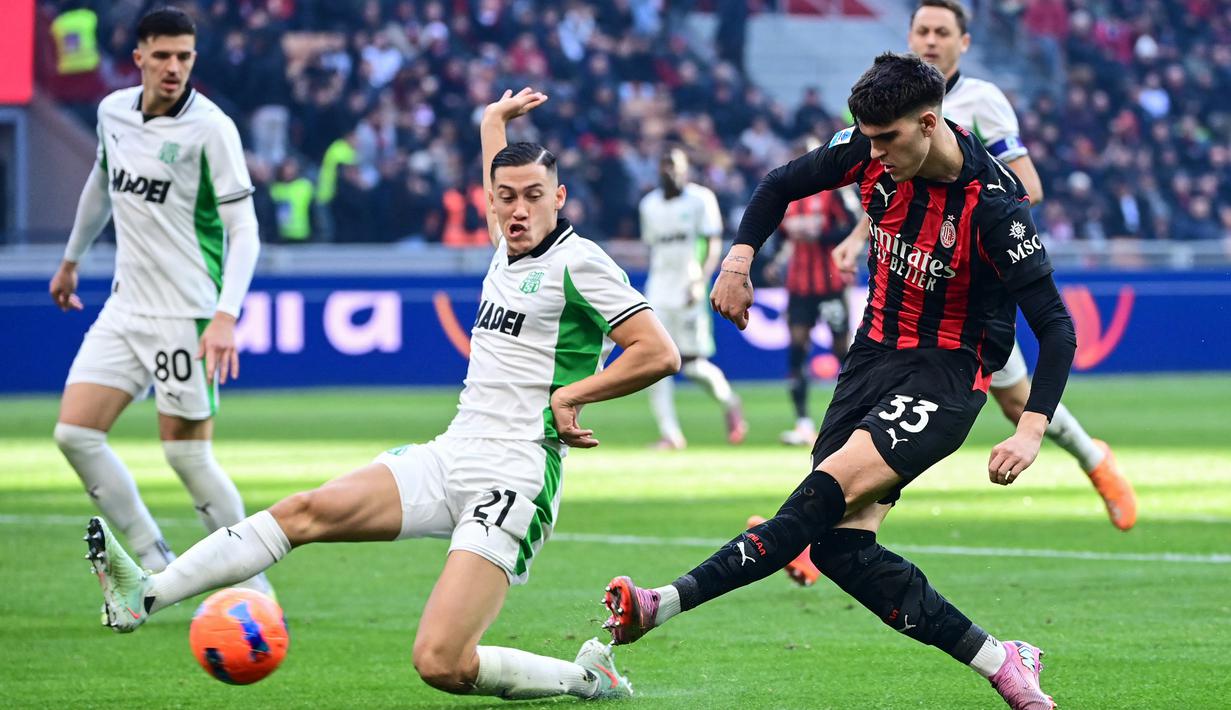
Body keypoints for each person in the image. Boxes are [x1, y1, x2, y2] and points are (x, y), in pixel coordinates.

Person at [86, 87, 681, 702]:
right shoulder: (507, 244)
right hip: (452, 452)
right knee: (303, 512)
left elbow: (659, 351)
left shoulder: (580, 263)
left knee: (440, 662)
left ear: (559, 198)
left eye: (534, 195)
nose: (518, 209)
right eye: (506, 197)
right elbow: (498, 179)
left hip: (516, 473)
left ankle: (588, 679)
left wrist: (572, 395)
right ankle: (146, 593)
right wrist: (491, 121)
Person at [602, 53, 1070, 710]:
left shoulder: (994, 207)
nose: (872, 154)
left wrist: (1029, 430)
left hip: (945, 372)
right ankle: (1003, 661)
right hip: (871, 358)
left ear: (928, 123)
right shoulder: (868, 151)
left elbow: (1055, 326)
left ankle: (659, 603)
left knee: (820, 496)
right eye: (867, 139)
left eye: (886, 139)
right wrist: (738, 259)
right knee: (839, 548)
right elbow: (777, 184)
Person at [834, 0, 1136, 531]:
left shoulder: (982, 101)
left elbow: (1029, 187)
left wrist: (969, 220)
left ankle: (1095, 460)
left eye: (942, 32)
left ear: (964, 42)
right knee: (875, 405)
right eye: (922, 30)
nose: (931, 40)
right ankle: (822, 528)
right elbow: (884, 188)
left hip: (967, 296)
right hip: (908, 284)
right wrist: (859, 235)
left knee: (1016, 405)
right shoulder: (891, 101)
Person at [49, 8, 270, 595]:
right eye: (163, 55)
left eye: (184, 57)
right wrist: (71, 259)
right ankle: (150, 559)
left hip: (186, 313)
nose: (174, 67)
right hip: (125, 307)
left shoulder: (212, 128)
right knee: (74, 435)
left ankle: (256, 592)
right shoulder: (112, 112)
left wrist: (225, 315)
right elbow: (101, 184)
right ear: (139, 57)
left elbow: (245, 231)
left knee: (186, 456)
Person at [640, 147, 747, 449]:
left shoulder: (701, 199)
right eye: (664, 165)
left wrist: (701, 280)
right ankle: (670, 434)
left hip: (689, 287)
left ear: (685, 169)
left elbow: (712, 243)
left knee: (691, 364)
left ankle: (729, 401)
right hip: (658, 290)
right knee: (655, 362)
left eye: (674, 166)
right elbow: (652, 247)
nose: (669, 171)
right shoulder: (649, 205)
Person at [763, 137, 860, 447]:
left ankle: (855, 418)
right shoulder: (790, 196)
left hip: (831, 283)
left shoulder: (836, 192)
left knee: (843, 351)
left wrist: (823, 235)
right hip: (799, 286)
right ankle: (803, 423)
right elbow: (779, 236)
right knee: (797, 348)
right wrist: (776, 261)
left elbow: (857, 226)